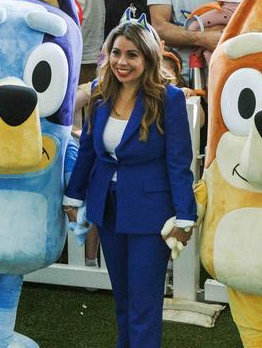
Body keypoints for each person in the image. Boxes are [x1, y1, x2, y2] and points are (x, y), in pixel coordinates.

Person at [64, 17, 197, 348]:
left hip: (150, 214)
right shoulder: (99, 93)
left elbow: (179, 162)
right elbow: (88, 153)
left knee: (143, 303)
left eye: (132, 55)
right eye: (116, 53)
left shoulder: (169, 99)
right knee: (123, 298)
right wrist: (73, 195)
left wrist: (185, 216)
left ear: (148, 58)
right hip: (109, 208)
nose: (122, 62)